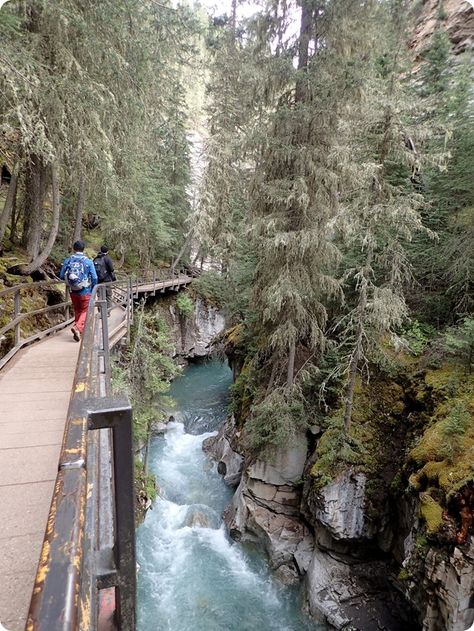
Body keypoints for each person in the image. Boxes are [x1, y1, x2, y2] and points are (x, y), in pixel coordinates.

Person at [60, 240, 97, 341]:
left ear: (74, 248)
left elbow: (61, 275)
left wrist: (71, 281)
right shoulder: (88, 261)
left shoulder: (68, 260)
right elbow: (94, 277)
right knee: (86, 310)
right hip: (85, 290)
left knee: (77, 310)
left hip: (73, 290)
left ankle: (79, 331)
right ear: (83, 249)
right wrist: (94, 288)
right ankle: (77, 328)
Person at [93, 245, 116, 312]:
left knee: (100, 296)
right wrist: (113, 278)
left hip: (99, 281)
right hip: (107, 281)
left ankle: (100, 311)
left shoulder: (95, 259)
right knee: (108, 296)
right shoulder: (108, 258)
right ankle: (108, 311)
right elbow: (111, 269)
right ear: (107, 251)